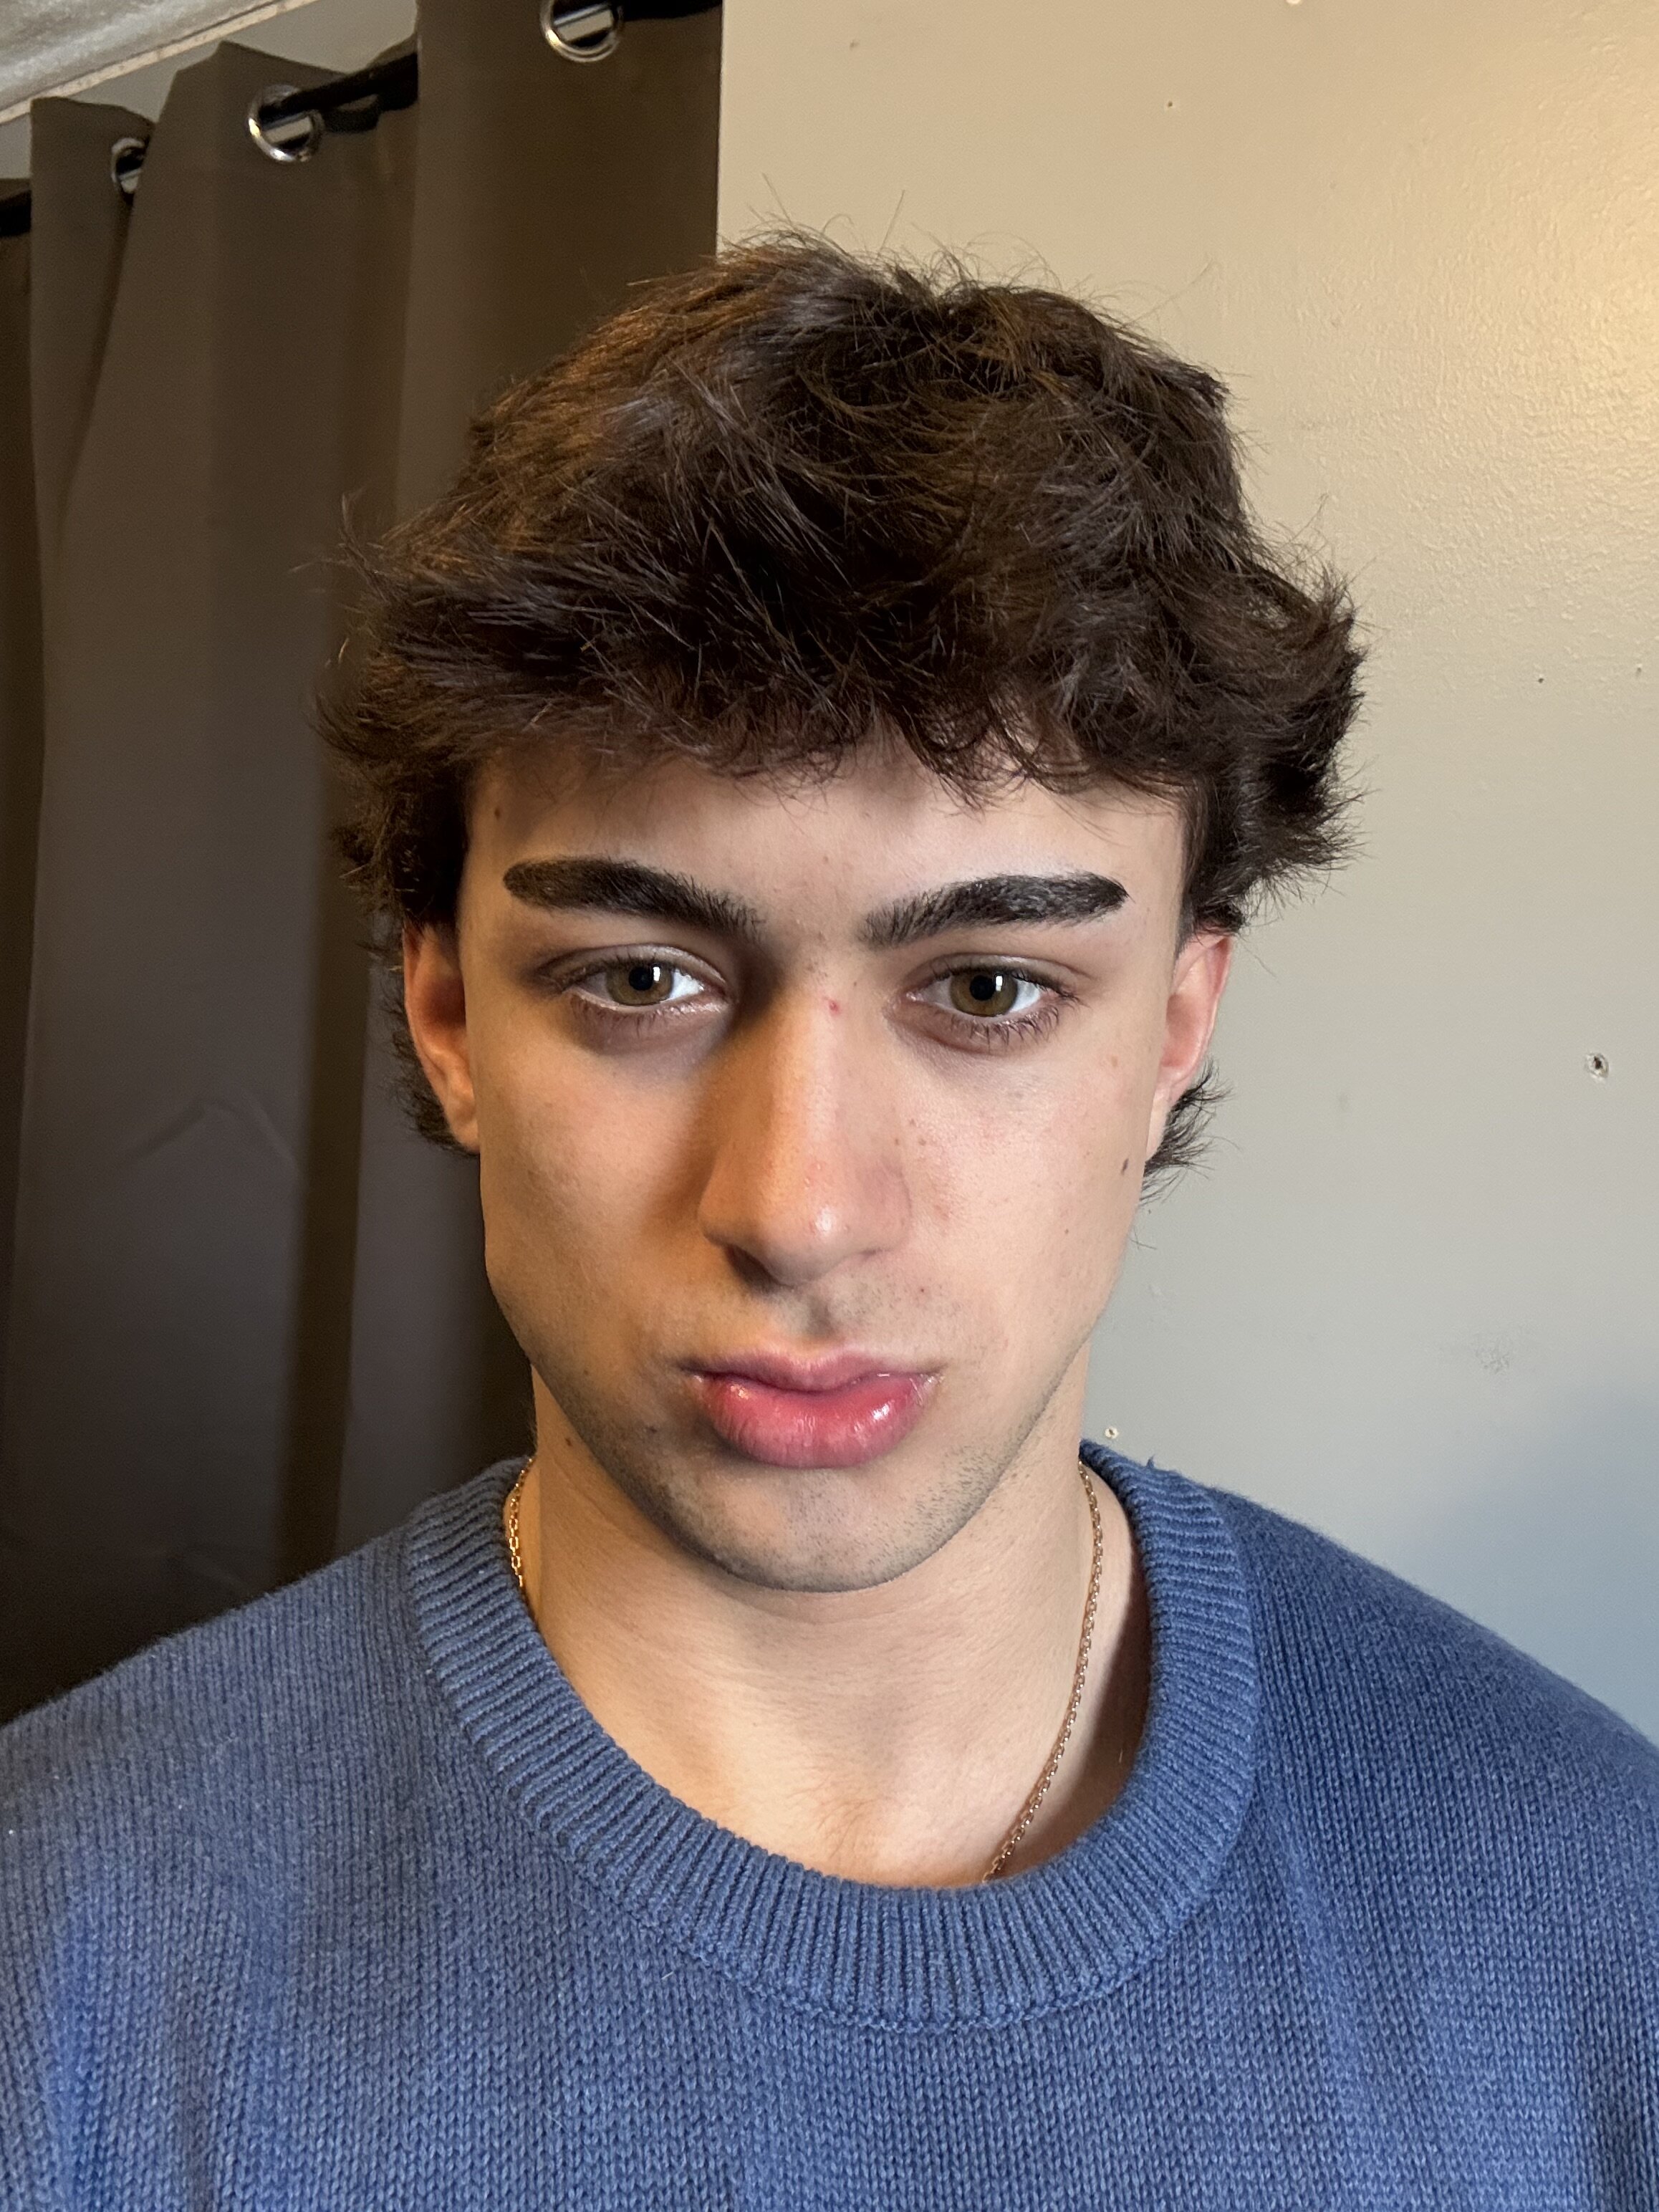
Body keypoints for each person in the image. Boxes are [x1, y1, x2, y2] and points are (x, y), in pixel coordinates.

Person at [2, 235, 1655, 2208]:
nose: (796, 1210)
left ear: (1173, 1032)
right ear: (444, 1017)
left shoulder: (1599, 1922)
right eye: (640, 980)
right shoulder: (53, 1960)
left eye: (988, 990)